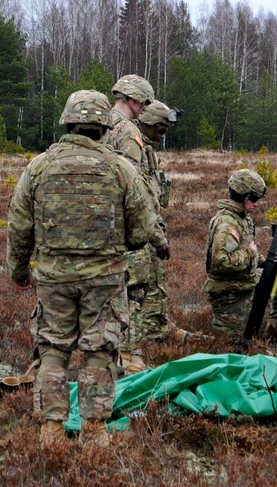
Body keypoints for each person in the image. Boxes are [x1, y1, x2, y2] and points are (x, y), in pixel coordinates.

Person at [6, 90, 167, 446]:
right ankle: (95, 433)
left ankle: (51, 431)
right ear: (104, 126)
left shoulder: (39, 167)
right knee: (99, 352)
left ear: (67, 122)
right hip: (105, 280)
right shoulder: (121, 169)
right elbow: (142, 230)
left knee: (52, 350)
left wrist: (19, 273)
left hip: (53, 278)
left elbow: (19, 227)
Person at [103, 74, 162, 374]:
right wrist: (148, 227)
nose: (144, 109)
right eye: (143, 103)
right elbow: (132, 184)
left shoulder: (100, 123)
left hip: (99, 221)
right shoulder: (128, 132)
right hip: (125, 225)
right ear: (135, 100)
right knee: (135, 291)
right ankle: (130, 357)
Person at [205, 169, 277, 348]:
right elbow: (219, 263)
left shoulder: (243, 220)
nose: (257, 204)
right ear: (243, 197)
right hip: (229, 291)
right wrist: (250, 254)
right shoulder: (226, 223)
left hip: (245, 280)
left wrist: (268, 264)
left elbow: (248, 251)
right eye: (253, 199)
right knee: (230, 347)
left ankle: (272, 329)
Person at [133, 101, 195, 346]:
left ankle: (159, 324)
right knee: (141, 280)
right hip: (141, 224)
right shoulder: (133, 145)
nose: (164, 133)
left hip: (152, 221)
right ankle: (144, 334)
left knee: (157, 273)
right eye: (161, 128)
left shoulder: (148, 150)